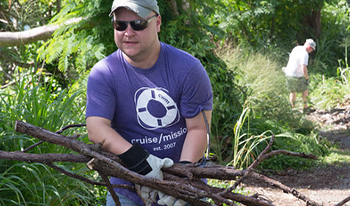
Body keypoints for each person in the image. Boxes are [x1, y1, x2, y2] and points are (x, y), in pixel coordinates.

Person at [85, 0, 213, 205]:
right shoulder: (104, 73)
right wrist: (141, 163)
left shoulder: (188, 69)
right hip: (127, 188)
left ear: (158, 23)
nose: (128, 32)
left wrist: (181, 182)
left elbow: (198, 129)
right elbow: (96, 128)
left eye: (138, 24)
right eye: (120, 24)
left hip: (186, 185)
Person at [283, 38, 316, 113]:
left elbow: (290, 58)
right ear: (309, 47)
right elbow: (303, 67)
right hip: (296, 75)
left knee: (292, 91)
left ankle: (293, 109)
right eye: (312, 49)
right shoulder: (304, 54)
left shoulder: (296, 48)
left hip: (289, 73)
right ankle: (305, 108)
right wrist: (306, 79)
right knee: (305, 90)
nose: (311, 51)